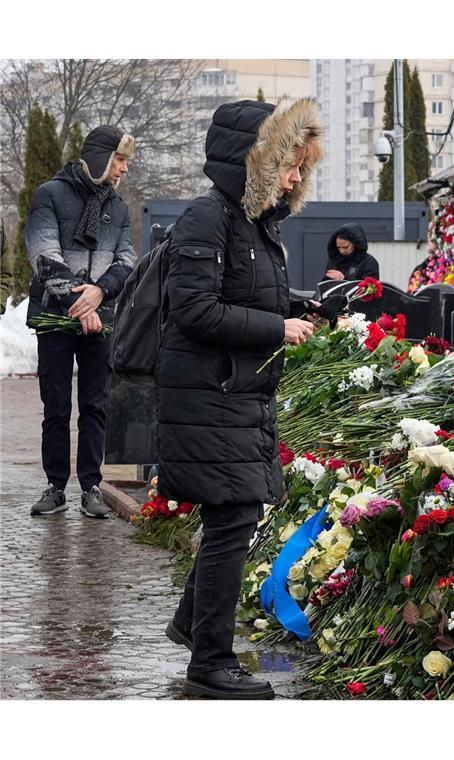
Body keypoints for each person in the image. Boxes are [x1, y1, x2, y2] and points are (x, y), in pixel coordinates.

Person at [156, 99, 322, 699]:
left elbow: (246, 296)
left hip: (236, 393)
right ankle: (210, 662)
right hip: (208, 393)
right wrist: (278, 328)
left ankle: (190, 624)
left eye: (301, 168)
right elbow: (195, 309)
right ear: (257, 161)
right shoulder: (208, 218)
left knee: (237, 513)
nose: (296, 178)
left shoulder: (252, 224)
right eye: (289, 166)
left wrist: (300, 305)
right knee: (232, 516)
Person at [26, 125, 136, 518]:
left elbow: (126, 260)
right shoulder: (49, 195)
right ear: (101, 157)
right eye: (120, 160)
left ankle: (91, 484)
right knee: (55, 406)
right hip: (56, 319)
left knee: (95, 406)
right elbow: (43, 254)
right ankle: (56, 486)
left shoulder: (118, 208)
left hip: (98, 320)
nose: (123, 169)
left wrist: (101, 293)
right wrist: (82, 302)